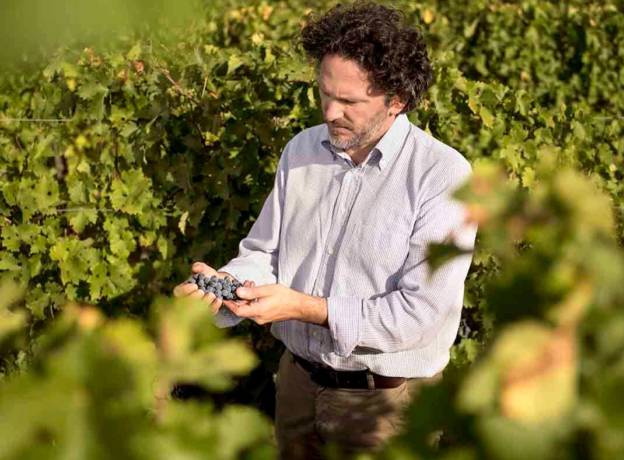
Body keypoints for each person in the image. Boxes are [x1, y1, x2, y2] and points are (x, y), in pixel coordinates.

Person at [173, 1, 477, 457]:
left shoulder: (441, 176)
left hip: (383, 404)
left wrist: (303, 307)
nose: (331, 112)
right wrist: (227, 287)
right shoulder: (301, 150)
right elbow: (266, 252)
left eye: (350, 101)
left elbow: (420, 314)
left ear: (397, 100)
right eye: (323, 93)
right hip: (297, 383)